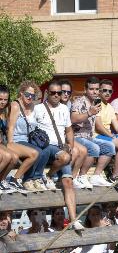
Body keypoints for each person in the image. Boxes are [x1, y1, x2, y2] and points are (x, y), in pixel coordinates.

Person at [33, 81, 82, 230]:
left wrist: (71, 146)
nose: (56, 96)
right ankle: (49, 175)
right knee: (65, 158)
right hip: (45, 147)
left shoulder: (64, 109)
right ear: (47, 93)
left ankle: (74, 220)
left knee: (68, 183)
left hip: (61, 147)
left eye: (59, 93)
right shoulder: (38, 108)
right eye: (53, 93)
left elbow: (69, 131)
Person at [70, 77, 116, 188]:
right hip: (77, 136)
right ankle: (81, 176)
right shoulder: (79, 102)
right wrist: (89, 113)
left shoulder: (96, 103)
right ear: (85, 89)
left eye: (97, 89)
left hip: (89, 136)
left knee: (109, 147)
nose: (95, 91)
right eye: (91, 89)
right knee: (94, 148)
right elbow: (73, 118)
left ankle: (96, 176)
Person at [5, 81, 44, 191]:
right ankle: (16, 179)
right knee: (35, 153)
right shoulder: (15, 105)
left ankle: (34, 178)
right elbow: (10, 127)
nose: (30, 97)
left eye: (32, 95)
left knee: (45, 150)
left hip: (28, 140)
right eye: (27, 94)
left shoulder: (33, 106)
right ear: (21, 93)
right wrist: (10, 143)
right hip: (16, 140)